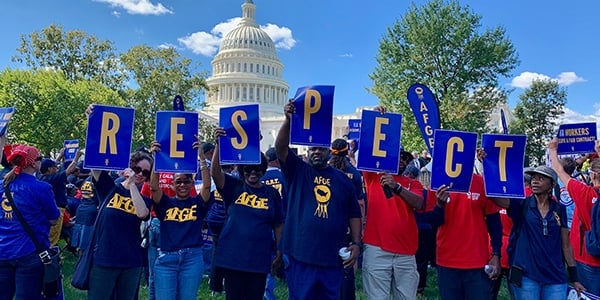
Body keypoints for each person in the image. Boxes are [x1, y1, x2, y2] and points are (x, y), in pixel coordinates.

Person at [275, 100, 362, 299]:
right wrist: (287, 121)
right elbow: (280, 148)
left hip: (332, 257)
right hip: (301, 256)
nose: (316, 152)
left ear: (328, 151)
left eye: (321, 149)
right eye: (312, 148)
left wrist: (357, 244)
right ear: (307, 151)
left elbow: (354, 214)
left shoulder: (343, 180)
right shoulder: (297, 170)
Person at [490, 165, 585, 299]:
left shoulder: (559, 209)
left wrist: (574, 277)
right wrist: (488, 168)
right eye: (533, 178)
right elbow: (498, 200)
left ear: (552, 184)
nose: (535, 181)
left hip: (555, 276)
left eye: (541, 178)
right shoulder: (522, 204)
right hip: (526, 276)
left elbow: (566, 245)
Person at [211, 127, 284, 300]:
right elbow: (215, 173)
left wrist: (280, 251)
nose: (253, 173)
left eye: (258, 169)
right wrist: (218, 145)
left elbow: (278, 224)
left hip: (258, 258)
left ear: (264, 171)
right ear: (243, 170)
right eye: (249, 169)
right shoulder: (234, 186)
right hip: (233, 257)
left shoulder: (271, 193)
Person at [148, 139, 211, 300]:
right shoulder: (166, 203)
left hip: (192, 258)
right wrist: (157, 159)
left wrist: (202, 158)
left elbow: (206, 186)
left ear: (191, 184)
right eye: (178, 182)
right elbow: (154, 187)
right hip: (166, 259)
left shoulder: (197, 202)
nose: (182, 184)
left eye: (186, 181)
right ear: (173, 185)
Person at [361, 139, 423, 300]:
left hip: (406, 251)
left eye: (406, 158)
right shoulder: (374, 177)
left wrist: (396, 187)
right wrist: (378, 119)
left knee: (406, 297)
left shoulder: (414, 184)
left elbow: (418, 203)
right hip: (377, 248)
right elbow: (367, 149)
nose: (402, 160)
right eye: (399, 156)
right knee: (377, 297)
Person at [0, 139, 61, 299]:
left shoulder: (2, 185)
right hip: (30, 251)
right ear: (34, 164)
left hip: (3, 250)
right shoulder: (41, 187)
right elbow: (54, 219)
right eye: (39, 158)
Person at [428, 172, 502, 299]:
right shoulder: (437, 183)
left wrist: (496, 254)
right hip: (447, 261)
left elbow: (494, 223)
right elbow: (433, 222)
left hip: (477, 262)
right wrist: (440, 205)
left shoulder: (482, 183)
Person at [549, 138, 600, 295]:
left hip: (587, 257)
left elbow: (558, 170)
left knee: (589, 295)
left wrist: (552, 149)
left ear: (592, 175)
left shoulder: (584, 193)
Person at [328, 138, 366, 300]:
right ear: (347, 152)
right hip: (349, 225)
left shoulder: (324, 170)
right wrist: (360, 226)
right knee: (348, 259)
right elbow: (360, 204)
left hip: (327, 222)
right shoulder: (355, 173)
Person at [39, 148, 83, 246]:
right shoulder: (53, 178)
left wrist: (60, 155)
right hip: (57, 209)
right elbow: (69, 170)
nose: (57, 168)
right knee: (53, 237)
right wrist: (76, 158)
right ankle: (50, 256)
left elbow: (53, 165)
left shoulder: (41, 177)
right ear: (50, 169)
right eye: (55, 167)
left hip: (47, 209)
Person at [261, 147, 288, 300]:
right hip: (284, 222)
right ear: (277, 160)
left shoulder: (259, 175)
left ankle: (267, 294)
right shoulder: (285, 176)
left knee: (269, 259)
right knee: (287, 256)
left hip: (265, 222)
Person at [205, 164, 235, 297]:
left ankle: (215, 286)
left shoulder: (213, 181)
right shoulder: (233, 181)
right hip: (225, 219)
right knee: (228, 252)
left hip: (214, 218)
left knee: (216, 252)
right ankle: (223, 283)